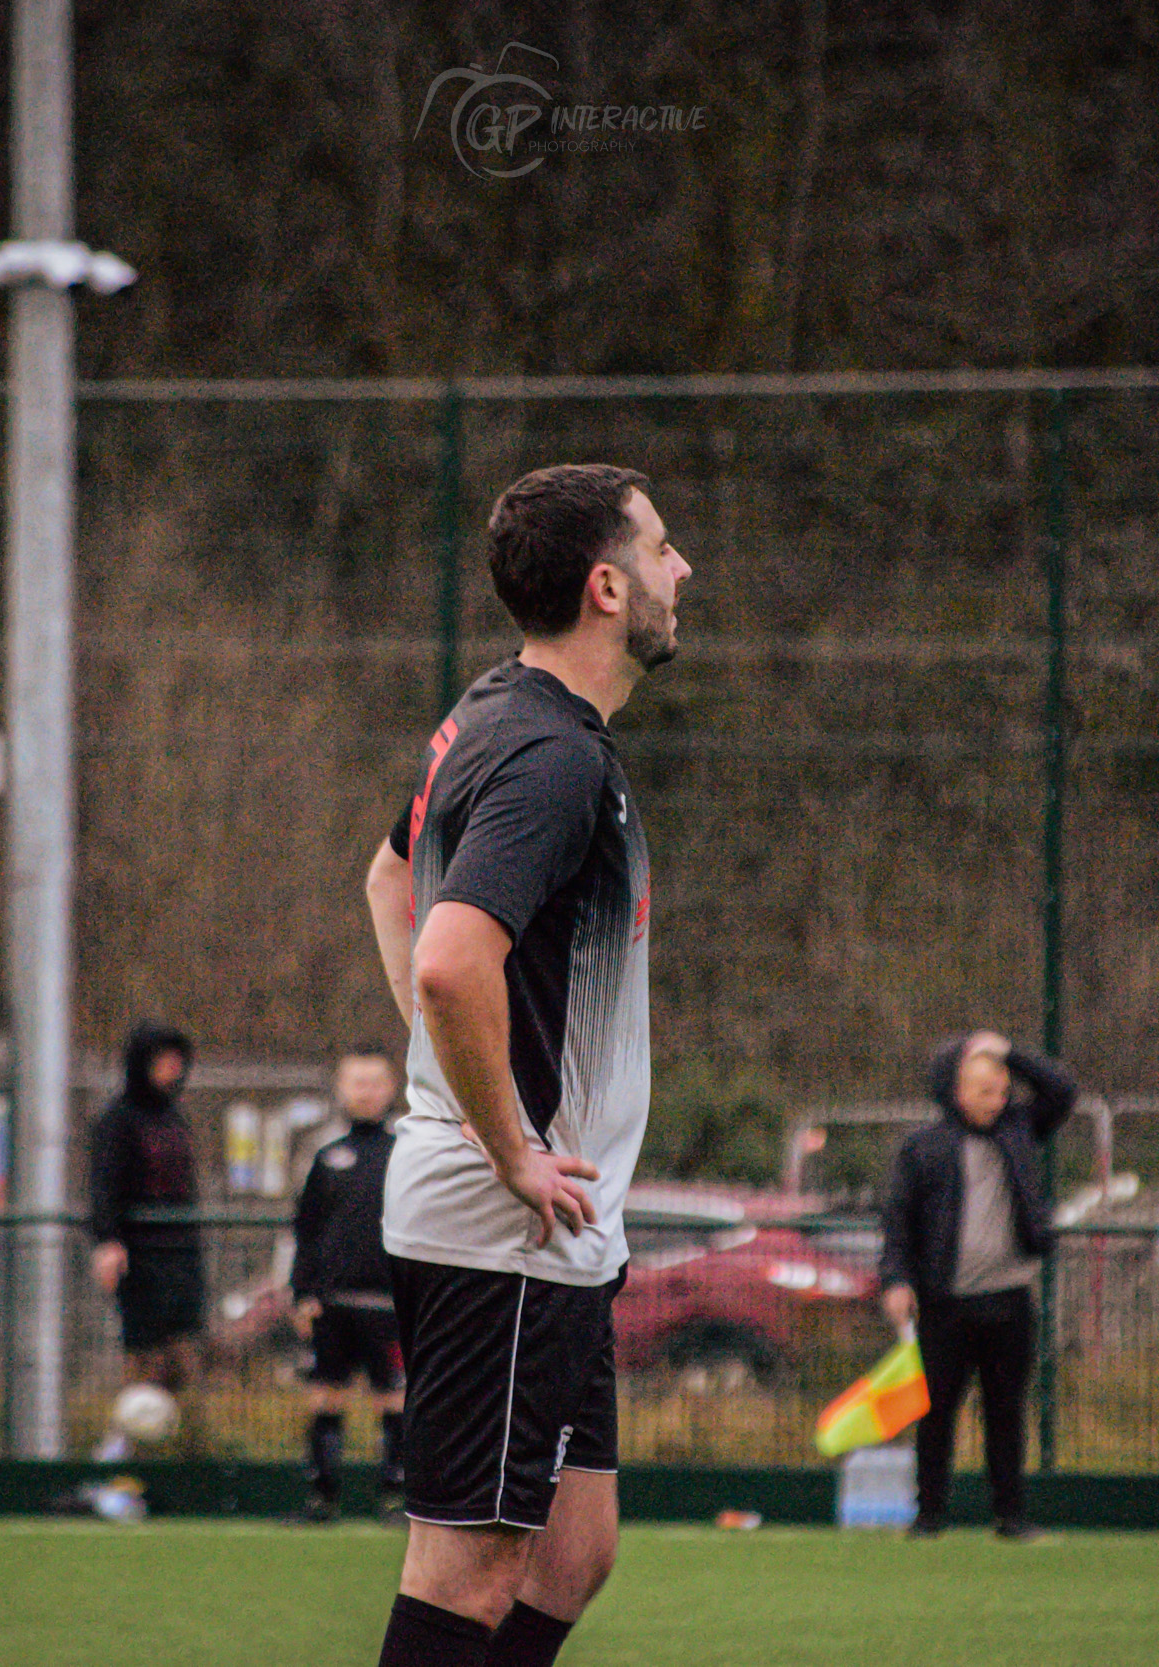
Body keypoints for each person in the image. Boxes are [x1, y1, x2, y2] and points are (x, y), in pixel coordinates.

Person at [362, 462, 689, 1667]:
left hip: (554, 1230)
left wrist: (459, 1077)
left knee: (571, 1551)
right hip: (503, 1226)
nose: (681, 569)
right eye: (660, 548)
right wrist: (500, 1139)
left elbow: (389, 876)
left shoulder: (492, 712)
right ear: (606, 587)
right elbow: (451, 962)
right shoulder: (551, 756)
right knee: (472, 1570)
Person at [878, 1028, 1077, 1540]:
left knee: (1005, 1412)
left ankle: (1010, 1515)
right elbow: (898, 1222)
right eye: (984, 1090)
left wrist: (1010, 1052)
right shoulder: (924, 1148)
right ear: (956, 1090)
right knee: (937, 1412)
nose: (997, 1101)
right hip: (944, 1305)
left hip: (1009, 1301)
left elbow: (1062, 1091)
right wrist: (897, 1280)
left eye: (1002, 1090)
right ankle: (929, 1514)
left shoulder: (1020, 1130)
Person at [289, 1045, 407, 1522]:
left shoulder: (407, 1152)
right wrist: (303, 1293)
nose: (366, 1092)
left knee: (395, 1398)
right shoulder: (325, 1155)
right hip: (332, 1303)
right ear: (341, 1088)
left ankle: (396, 1496)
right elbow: (306, 1229)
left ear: (392, 1087)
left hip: (390, 1304)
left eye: (375, 1082)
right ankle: (322, 1497)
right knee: (325, 1395)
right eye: (357, 1082)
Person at [87, 1022, 203, 1460]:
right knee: (145, 1358)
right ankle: (125, 1451)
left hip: (181, 1254)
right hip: (142, 1256)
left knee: (182, 1358)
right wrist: (108, 1240)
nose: (172, 1069)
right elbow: (103, 1185)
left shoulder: (175, 1118)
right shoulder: (119, 1120)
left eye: (177, 1061)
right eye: (162, 1060)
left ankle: (174, 1450)